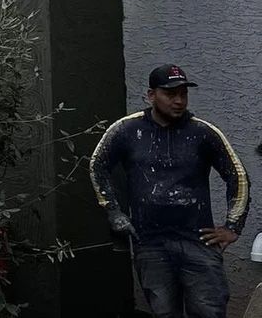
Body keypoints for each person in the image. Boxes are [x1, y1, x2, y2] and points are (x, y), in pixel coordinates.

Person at [90, 63, 250, 318]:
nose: (179, 101)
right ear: (151, 95)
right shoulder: (127, 130)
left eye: (183, 94)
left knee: (209, 311)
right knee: (164, 313)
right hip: (150, 243)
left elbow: (238, 176)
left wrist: (232, 227)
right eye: (170, 94)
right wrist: (113, 211)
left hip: (197, 241)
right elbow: (97, 166)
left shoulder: (203, 133)